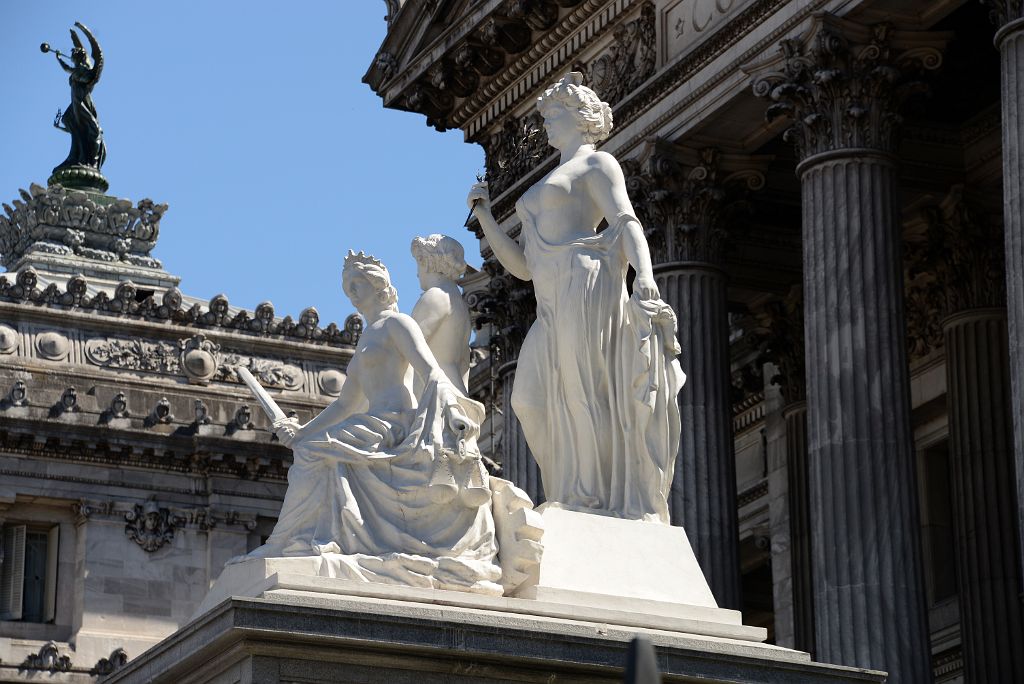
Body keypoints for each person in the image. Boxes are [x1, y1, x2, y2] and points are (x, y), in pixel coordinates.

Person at [467, 72, 685, 524]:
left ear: (581, 118)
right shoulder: (553, 176)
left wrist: (644, 275)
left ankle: (587, 496)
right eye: (546, 115)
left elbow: (625, 222)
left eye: (554, 114)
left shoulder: (597, 164)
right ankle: (568, 486)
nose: (546, 122)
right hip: (549, 297)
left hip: (584, 283)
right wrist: (486, 219)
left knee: (582, 391)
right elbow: (523, 267)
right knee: (529, 399)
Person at [240, 251, 501, 595]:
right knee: (309, 449)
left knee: (312, 455)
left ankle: (287, 540)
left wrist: (451, 410)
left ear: (379, 287)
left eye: (356, 284)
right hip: (370, 421)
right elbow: (347, 403)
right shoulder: (366, 339)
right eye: (347, 286)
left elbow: (431, 371)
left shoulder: (397, 324)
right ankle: (300, 538)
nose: (350, 292)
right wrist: (302, 432)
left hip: (394, 424)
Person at [410, 234, 471, 394]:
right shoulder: (460, 304)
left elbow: (408, 350)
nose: (417, 274)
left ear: (426, 261)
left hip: (435, 392)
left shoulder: (436, 296)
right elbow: (465, 362)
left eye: (418, 264)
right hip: (456, 390)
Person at [52, 23, 106, 172]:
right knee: (75, 127)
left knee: (93, 130)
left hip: (83, 103)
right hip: (76, 104)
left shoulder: (85, 72)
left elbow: (70, 69)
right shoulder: (78, 70)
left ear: (79, 58)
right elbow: (69, 69)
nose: (72, 60)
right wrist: (58, 59)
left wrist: (85, 32)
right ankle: (77, 157)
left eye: (74, 57)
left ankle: (91, 162)